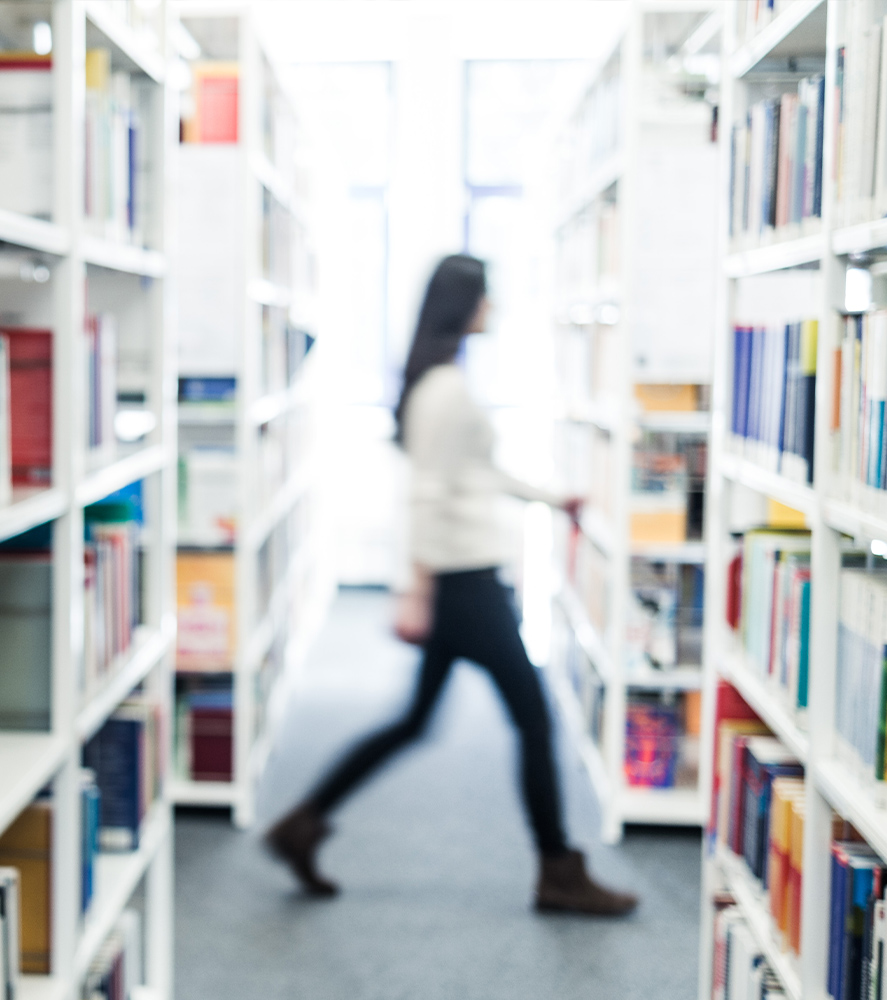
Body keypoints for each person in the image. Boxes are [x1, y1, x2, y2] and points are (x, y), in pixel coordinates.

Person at [265, 254, 638, 916]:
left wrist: (553, 499)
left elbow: (479, 471)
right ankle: (557, 868)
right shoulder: (444, 390)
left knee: (415, 722)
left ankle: (304, 822)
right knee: (533, 718)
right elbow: (427, 494)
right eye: (486, 297)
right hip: (463, 583)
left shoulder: (441, 383)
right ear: (463, 305)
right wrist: (417, 588)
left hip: (463, 576)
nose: (493, 308)